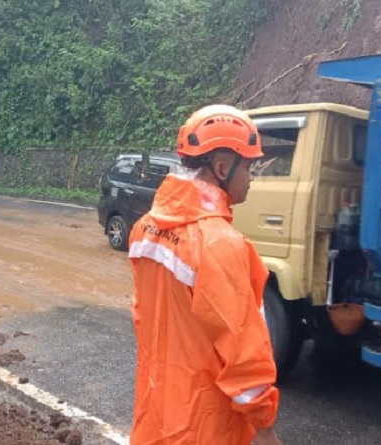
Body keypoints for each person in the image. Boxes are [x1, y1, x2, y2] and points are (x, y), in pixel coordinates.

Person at [128, 104, 282, 445]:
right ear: (223, 167)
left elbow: (144, 318)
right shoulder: (221, 244)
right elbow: (244, 354)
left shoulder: (145, 229)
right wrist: (266, 428)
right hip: (203, 426)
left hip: (155, 417)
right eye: (250, 167)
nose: (252, 178)